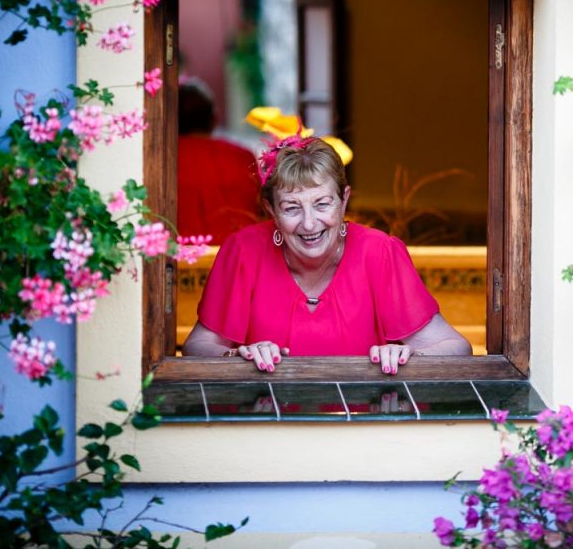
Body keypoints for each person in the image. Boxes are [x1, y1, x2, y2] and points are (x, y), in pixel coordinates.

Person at [182, 136, 472, 374]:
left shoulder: (379, 252)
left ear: (344, 200)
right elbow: (197, 347)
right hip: (265, 426)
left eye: (322, 204)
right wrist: (238, 355)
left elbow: (456, 348)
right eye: (292, 208)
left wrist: (406, 353)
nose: (309, 223)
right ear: (271, 211)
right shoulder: (243, 252)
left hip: (362, 427)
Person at [177, 80, 262, 244]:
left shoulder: (162, 161)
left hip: (177, 259)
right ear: (214, 119)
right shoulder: (242, 157)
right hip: (239, 258)